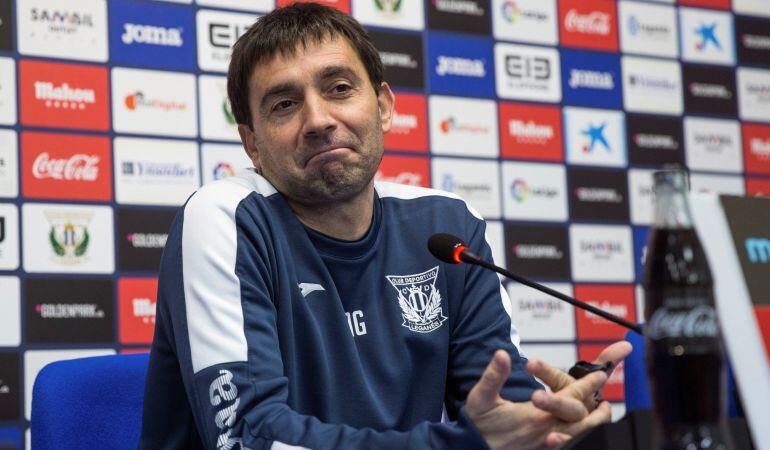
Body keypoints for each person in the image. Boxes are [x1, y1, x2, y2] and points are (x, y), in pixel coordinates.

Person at [139, 3, 631, 449]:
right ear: (251, 142)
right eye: (284, 104)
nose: (318, 119)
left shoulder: (446, 228)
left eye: (338, 88)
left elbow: (499, 416)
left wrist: (547, 423)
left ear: (385, 107)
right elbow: (250, 439)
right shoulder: (227, 218)